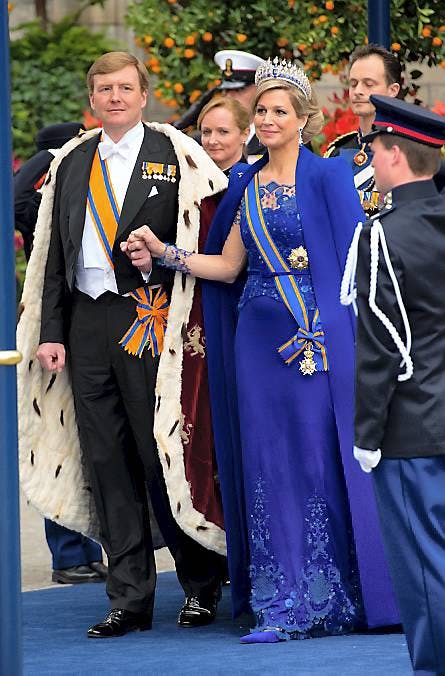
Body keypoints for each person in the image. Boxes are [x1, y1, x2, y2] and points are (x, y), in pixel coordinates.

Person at [124, 57, 399, 642]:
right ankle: (283, 601)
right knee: (266, 464)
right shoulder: (244, 184)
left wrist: (336, 337)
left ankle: (330, 596)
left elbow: (357, 264)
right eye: (263, 111)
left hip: (312, 345)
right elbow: (225, 265)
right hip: (254, 343)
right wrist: (164, 251)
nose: (268, 119)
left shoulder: (326, 177)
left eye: (280, 111)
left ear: (304, 118)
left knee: (314, 460)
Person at [16, 51, 229, 638]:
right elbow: (52, 255)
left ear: (143, 96)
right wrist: (52, 332)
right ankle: (129, 597)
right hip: (86, 326)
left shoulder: (175, 153)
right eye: (104, 89)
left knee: (161, 455)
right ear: (92, 100)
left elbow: (203, 230)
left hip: (149, 317)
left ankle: (202, 585)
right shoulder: (70, 161)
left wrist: (159, 261)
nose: (114, 97)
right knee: (106, 461)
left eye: (125, 88)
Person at [341, 95, 445, 675]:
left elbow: (382, 344)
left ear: (396, 156)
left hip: (412, 421)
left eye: (375, 150)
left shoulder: (382, 234)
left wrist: (367, 431)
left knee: (426, 568)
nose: (370, 161)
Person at [14, 122, 107, 586]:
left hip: (88, 310)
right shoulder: (54, 167)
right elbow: (17, 201)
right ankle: (70, 552)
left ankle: (83, 549)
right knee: (61, 434)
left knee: (88, 437)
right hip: (58, 310)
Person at [324, 44, 401, 217]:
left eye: (368, 84)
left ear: (392, 90)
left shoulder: (404, 151)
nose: (358, 91)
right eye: (353, 84)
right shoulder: (337, 150)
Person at [174, 50, 266, 162]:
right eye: (226, 90)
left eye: (239, 89)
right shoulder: (200, 143)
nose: (230, 96)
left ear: (259, 90)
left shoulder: (271, 140)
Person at [197, 97, 250, 176]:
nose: (212, 141)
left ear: (244, 134)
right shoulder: (190, 178)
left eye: (223, 132)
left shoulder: (256, 183)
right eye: (206, 132)